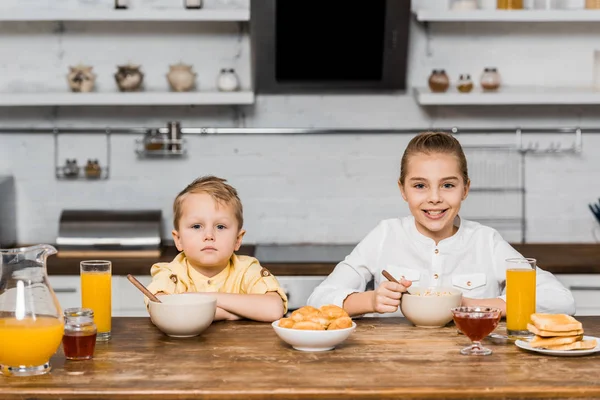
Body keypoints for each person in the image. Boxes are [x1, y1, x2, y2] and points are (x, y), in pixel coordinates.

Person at [307, 131, 575, 317]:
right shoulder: (385, 235)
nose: (434, 198)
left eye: (447, 185)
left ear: (465, 189)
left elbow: (561, 300)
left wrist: (478, 305)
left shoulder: (486, 241)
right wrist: (371, 301)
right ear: (403, 190)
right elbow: (318, 299)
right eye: (420, 185)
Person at [146, 175, 288, 322]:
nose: (209, 235)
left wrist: (202, 299)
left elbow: (273, 309)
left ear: (237, 240)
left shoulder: (247, 270)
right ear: (178, 240)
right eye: (196, 226)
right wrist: (229, 313)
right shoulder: (171, 273)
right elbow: (162, 309)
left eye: (220, 226)